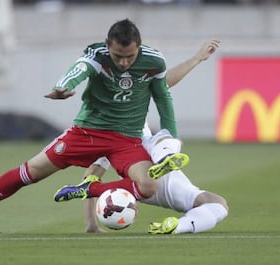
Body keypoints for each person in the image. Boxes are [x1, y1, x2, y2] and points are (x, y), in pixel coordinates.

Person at [0, 18, 188, 234]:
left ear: (139, 47)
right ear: (107, 45)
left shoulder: (154, 62)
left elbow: (163, 97)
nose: (123, 63)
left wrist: (170, 138)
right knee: (28, 172)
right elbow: (79, 70)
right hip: (87, 133)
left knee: (149, 185)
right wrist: (63, 86)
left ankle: (89, 189)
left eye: (130, 56)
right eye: (118, 56)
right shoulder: (96, 55)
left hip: (127, 140)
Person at [80, 39, 229, 234]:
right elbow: (163, 82)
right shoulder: (116, 126)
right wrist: (197, 58)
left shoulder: (107, 126)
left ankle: (177, 225)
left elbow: (91, 175)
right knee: (165, 137)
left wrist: (91, 224)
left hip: (144, 187)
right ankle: (165, 158)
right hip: (153, 177)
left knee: (216, 203)